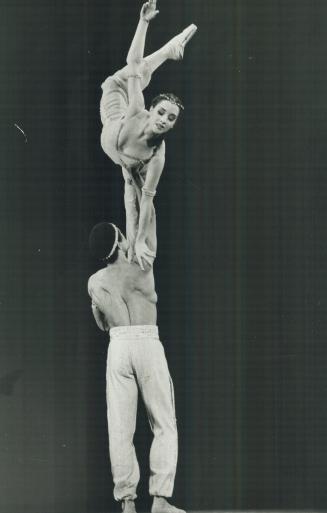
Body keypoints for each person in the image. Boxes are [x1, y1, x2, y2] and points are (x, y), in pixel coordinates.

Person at [88, 222, 184, 513]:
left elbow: (103, 325)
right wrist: (138, 186)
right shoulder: (142, 266)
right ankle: (160, 501)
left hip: (118, 347)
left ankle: (127, 505)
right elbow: (144, 212)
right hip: (146, 342)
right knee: (164, 423)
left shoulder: (94, 281)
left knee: (119, 428)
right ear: (119, 243)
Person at [100, 0, 197, 269]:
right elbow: (132, 63)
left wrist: (140, 240)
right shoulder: (136, 109)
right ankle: (168, 51)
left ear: (174, 125)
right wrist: (143, 22)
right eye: (162, 113)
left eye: (171, 118)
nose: (164, 120)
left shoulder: (156, 156)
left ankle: (136, 253)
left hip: (127, 162)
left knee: (137, 205)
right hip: (114, 103)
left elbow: (145, 200)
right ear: (151, 110)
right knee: (134, 71)